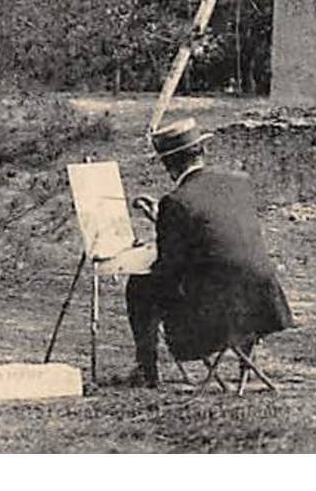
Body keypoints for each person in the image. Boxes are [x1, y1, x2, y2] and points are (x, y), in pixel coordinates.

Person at [124, 119, 295, 388]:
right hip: (262, 304)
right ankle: (244, 368)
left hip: (216, 315)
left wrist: (146, 251)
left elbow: (170, 268)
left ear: (169, 166)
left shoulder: (176, 202)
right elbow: (216, 233)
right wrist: (164, 221)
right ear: (202, 151)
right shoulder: (239, 183)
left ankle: (147, 372)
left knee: (139, 286)